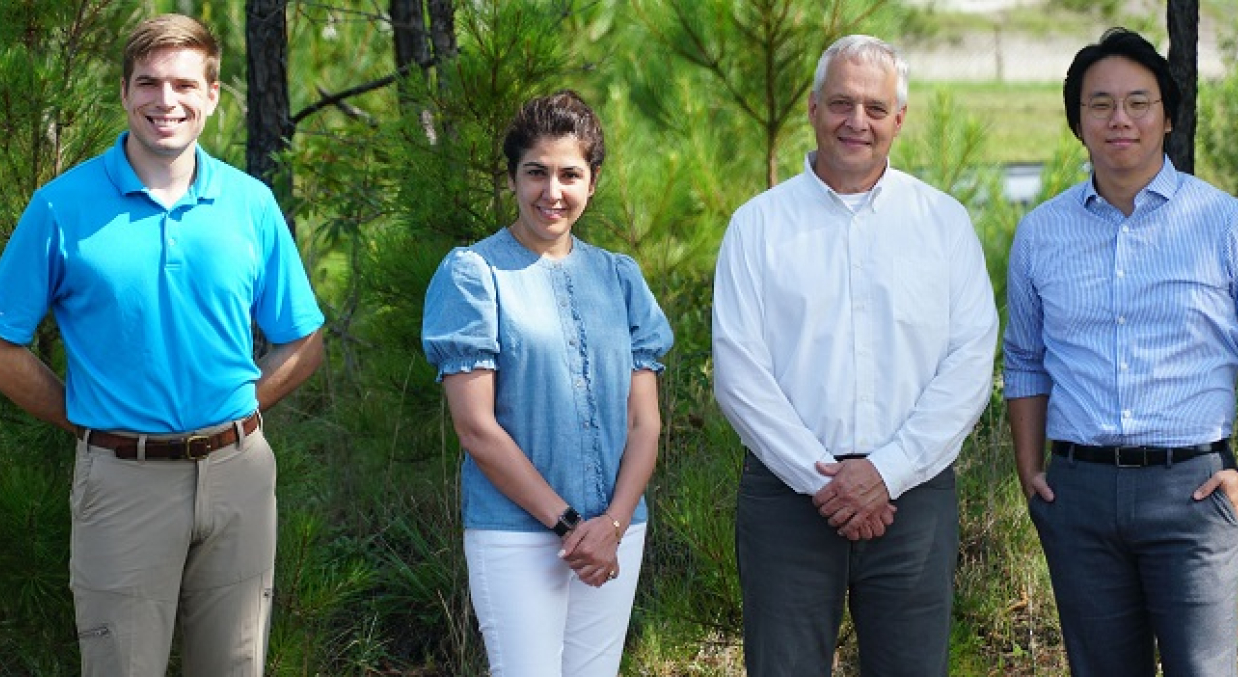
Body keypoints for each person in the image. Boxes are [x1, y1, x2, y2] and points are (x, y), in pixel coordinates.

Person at [0, 13, 325, 676]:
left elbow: (304, 339)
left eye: (183, 84)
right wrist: (79, 414)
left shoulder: (250, 204)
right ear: (124, 93)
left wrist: (242, 406)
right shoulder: (62, 207)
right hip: (122, 481)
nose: (165, 100)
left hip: (240, 478)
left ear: (212, 95)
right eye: (148, 83)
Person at [1003, 27, 1238, 677]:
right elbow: (1025, 357)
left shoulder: (1229, 225)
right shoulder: (1040, 233)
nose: (1121, 118)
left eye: (1139, 102)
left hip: (1194, 492)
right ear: (1077, 120)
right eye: (1101, 103)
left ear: (1168, 116)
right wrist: (1032, 469)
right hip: (1078, 493)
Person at [712, 35, 999, 676]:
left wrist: (887, 472)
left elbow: (970, 360)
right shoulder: (757, 227)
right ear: (813, 109)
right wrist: (827, 483)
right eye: (841, 103)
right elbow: (739, 373)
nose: (856, 121)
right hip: (788, 499)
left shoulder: (944, 223)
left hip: (914, 498)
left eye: (875, 107)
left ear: (899, 119)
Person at [421, 90, 673, 677]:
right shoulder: (474, 274)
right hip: (517, 535)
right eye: (535, 172)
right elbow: (476, 428)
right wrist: (568, 523)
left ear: (593, 180)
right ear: (512, 177)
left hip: (616, 532)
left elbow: (645, 423)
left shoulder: (621, 277)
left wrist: (610, 523)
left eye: (569, 174)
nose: (552, 192)